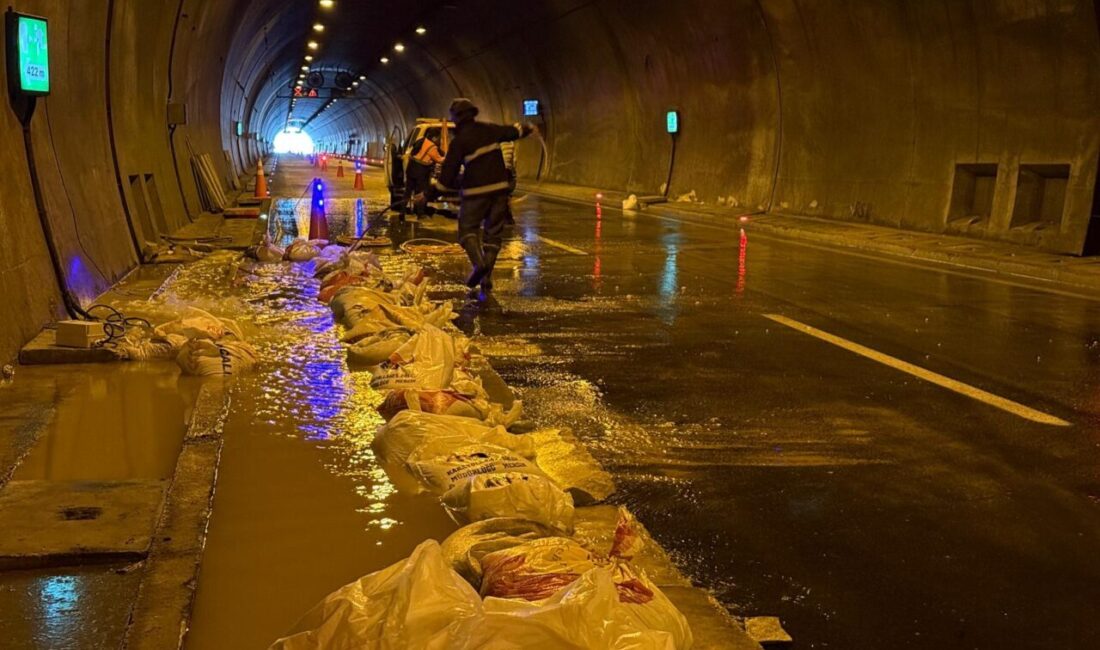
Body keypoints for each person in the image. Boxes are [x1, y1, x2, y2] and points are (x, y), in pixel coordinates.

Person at [431, 98, 536, 298]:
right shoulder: (489, 130)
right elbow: (513, 132)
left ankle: (479, 265)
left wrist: (430, 193)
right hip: (499, 192)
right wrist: (527, 128)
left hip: (475, 194)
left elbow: (446, 178)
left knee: (467, 231)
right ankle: (486, 276)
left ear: (456, 118)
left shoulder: (459, 142)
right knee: (493, 236)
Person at [404, 130, 445, 220]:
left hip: (411, 168)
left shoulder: (421, 140)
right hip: (420, 170)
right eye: (439, 138)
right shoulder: (432, 147)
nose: (439, 140)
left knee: (408, 191)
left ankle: (402, 212)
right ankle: (420, 213)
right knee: (420, 192)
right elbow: (439, 160)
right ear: (434, 138)